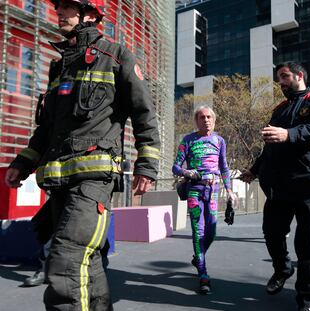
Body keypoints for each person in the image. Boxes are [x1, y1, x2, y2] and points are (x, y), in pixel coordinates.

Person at [4, 0, 160, 309]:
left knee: (66, 261)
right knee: (89, 267)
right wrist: (23, 163)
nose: (58, 11)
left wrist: (147, 165)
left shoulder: (117, 56)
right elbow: (46, 128)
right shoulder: (59, 66)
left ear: (89, 13)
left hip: (93, 181)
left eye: (67, 6)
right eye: (58, 6)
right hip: (60, 183)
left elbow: (146, 114)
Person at [240, 61, 310, 311]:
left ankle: (307, 300)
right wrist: (254, 169)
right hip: (280, 186)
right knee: (272, 232)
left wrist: (289, 134)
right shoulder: (280, 108)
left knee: (309, 246)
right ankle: (282, 268)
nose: (280, 82)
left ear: (299, 75)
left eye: (284, 76)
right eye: (279, 78)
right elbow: (270, 145)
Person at [172, 106, 236, 294]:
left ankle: (198, 257)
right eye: (202, 117)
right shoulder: (188, 140)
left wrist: (230, 190)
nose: (206, 120)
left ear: (214, 120)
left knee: (212, 230)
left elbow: (224, 167)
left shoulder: (219, 141)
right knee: (198, 231)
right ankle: (203, 274)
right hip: (194, 190)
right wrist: (186, 172)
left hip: (213, 190)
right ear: (196, 120)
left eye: (209, 117)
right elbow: (175, 167)